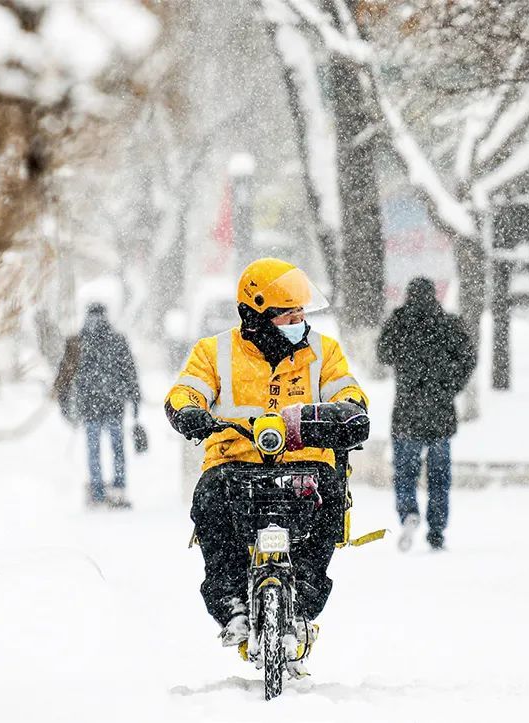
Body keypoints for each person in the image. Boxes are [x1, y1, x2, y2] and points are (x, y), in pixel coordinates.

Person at [164, 258, 368, 676]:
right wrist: (189, 411)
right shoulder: (213, 352)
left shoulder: (322, 352)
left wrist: (348, 410)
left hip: (305, 465)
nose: (299, 321)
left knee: (332, 497)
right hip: (233, 467)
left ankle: (305, 599)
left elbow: (346, 388)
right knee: (209, 503)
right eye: (287, 314)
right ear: (256, 315)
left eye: (301, 312)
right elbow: (185, 391)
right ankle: (232, 604)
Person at [377, 278, 476, 552]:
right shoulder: (447, 324)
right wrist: (450, 385)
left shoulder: (401, 323)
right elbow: (469, 357)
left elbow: (382, 354)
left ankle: (408, 511)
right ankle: (437, 529)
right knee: (439, 476)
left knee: (405, 472)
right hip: (440, 413)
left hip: (407, 412)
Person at [54, 303, 141, 508]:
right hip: (114, 404)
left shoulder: (77, 342)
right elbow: (130, 372)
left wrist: (65, 405)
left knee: (94, 449)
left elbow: (64, 378)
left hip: (90, 405)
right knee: (117, 448)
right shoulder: (117, 340)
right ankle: (118, 490)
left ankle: (98, 491)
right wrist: (135, 400)